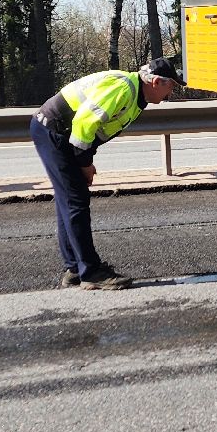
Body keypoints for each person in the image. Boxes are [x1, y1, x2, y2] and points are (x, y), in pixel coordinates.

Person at [30, 57, 182, 290]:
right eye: (171, 86)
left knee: (70, 200)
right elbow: (83, 124)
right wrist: (85, 165)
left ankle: (75, 268)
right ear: (156, 82)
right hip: (55, 131)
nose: (170, 94)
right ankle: (90, 272)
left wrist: (84, 161)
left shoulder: (135, 94)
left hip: (59, 133)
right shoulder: (123, 89)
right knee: (75, 201)